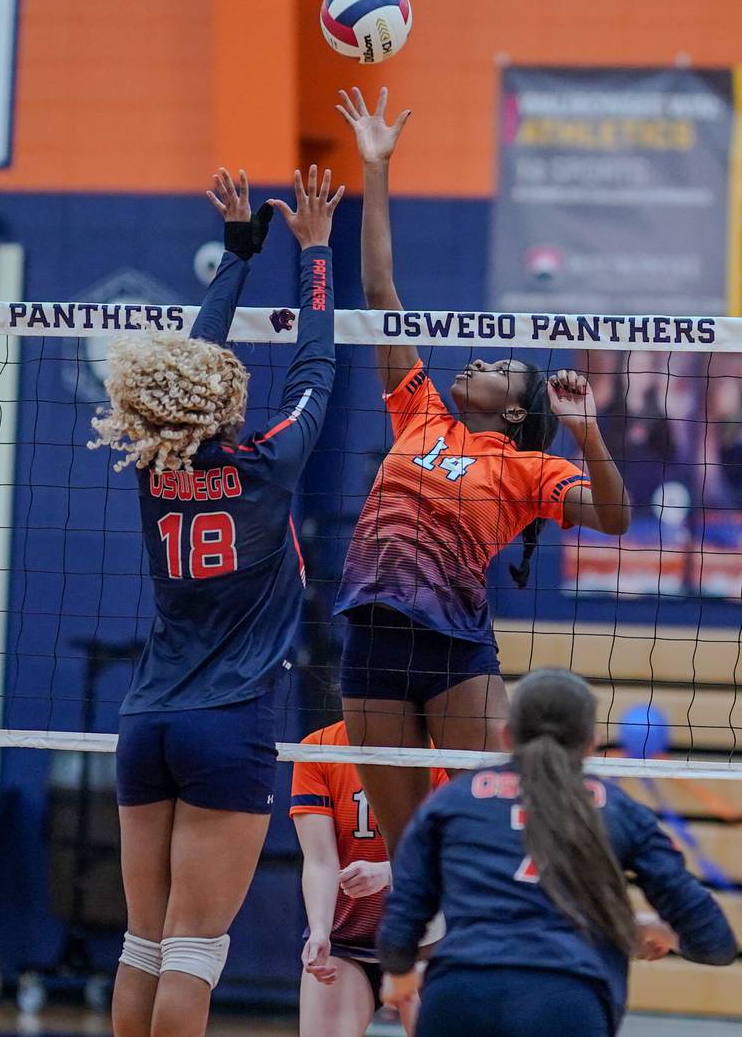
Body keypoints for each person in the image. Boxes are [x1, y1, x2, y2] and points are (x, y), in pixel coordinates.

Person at [334, 86, 631, 855]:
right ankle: (412, 973)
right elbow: (378, 295)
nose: (480, 361)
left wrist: (588, 436)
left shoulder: (529, 468)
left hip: (454, 652)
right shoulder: (419, 411)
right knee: (406, 853)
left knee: (482, 840)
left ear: (511, 411)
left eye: (500, 365)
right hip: (370, 639)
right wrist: (376, 170)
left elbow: (615, 518)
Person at [89, 165, 344, 1037]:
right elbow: (317, 361)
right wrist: (315, 256)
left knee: (142, 945)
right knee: (195, 950)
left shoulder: (154, 467)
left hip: (148, 718)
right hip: (227, 722)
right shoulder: (268, 465)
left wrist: (236, 257)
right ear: (225, 403)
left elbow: (186, 370)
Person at [377, 669, 738, 1037]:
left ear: (506, 736)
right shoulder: (620, 811)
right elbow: (715, 942)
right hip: (567, 999)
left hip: (460, 995)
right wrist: (660, 932)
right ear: (591, 743)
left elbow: (402, 918)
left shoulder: (451, 801)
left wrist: (400, 975)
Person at [290, 720, 446, 1037]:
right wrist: (320, 930)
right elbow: (319, 859)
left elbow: (450, 856)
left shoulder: (440, 750)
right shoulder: (320, 747)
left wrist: (388, 873)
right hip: (348, 942)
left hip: (428, 942)